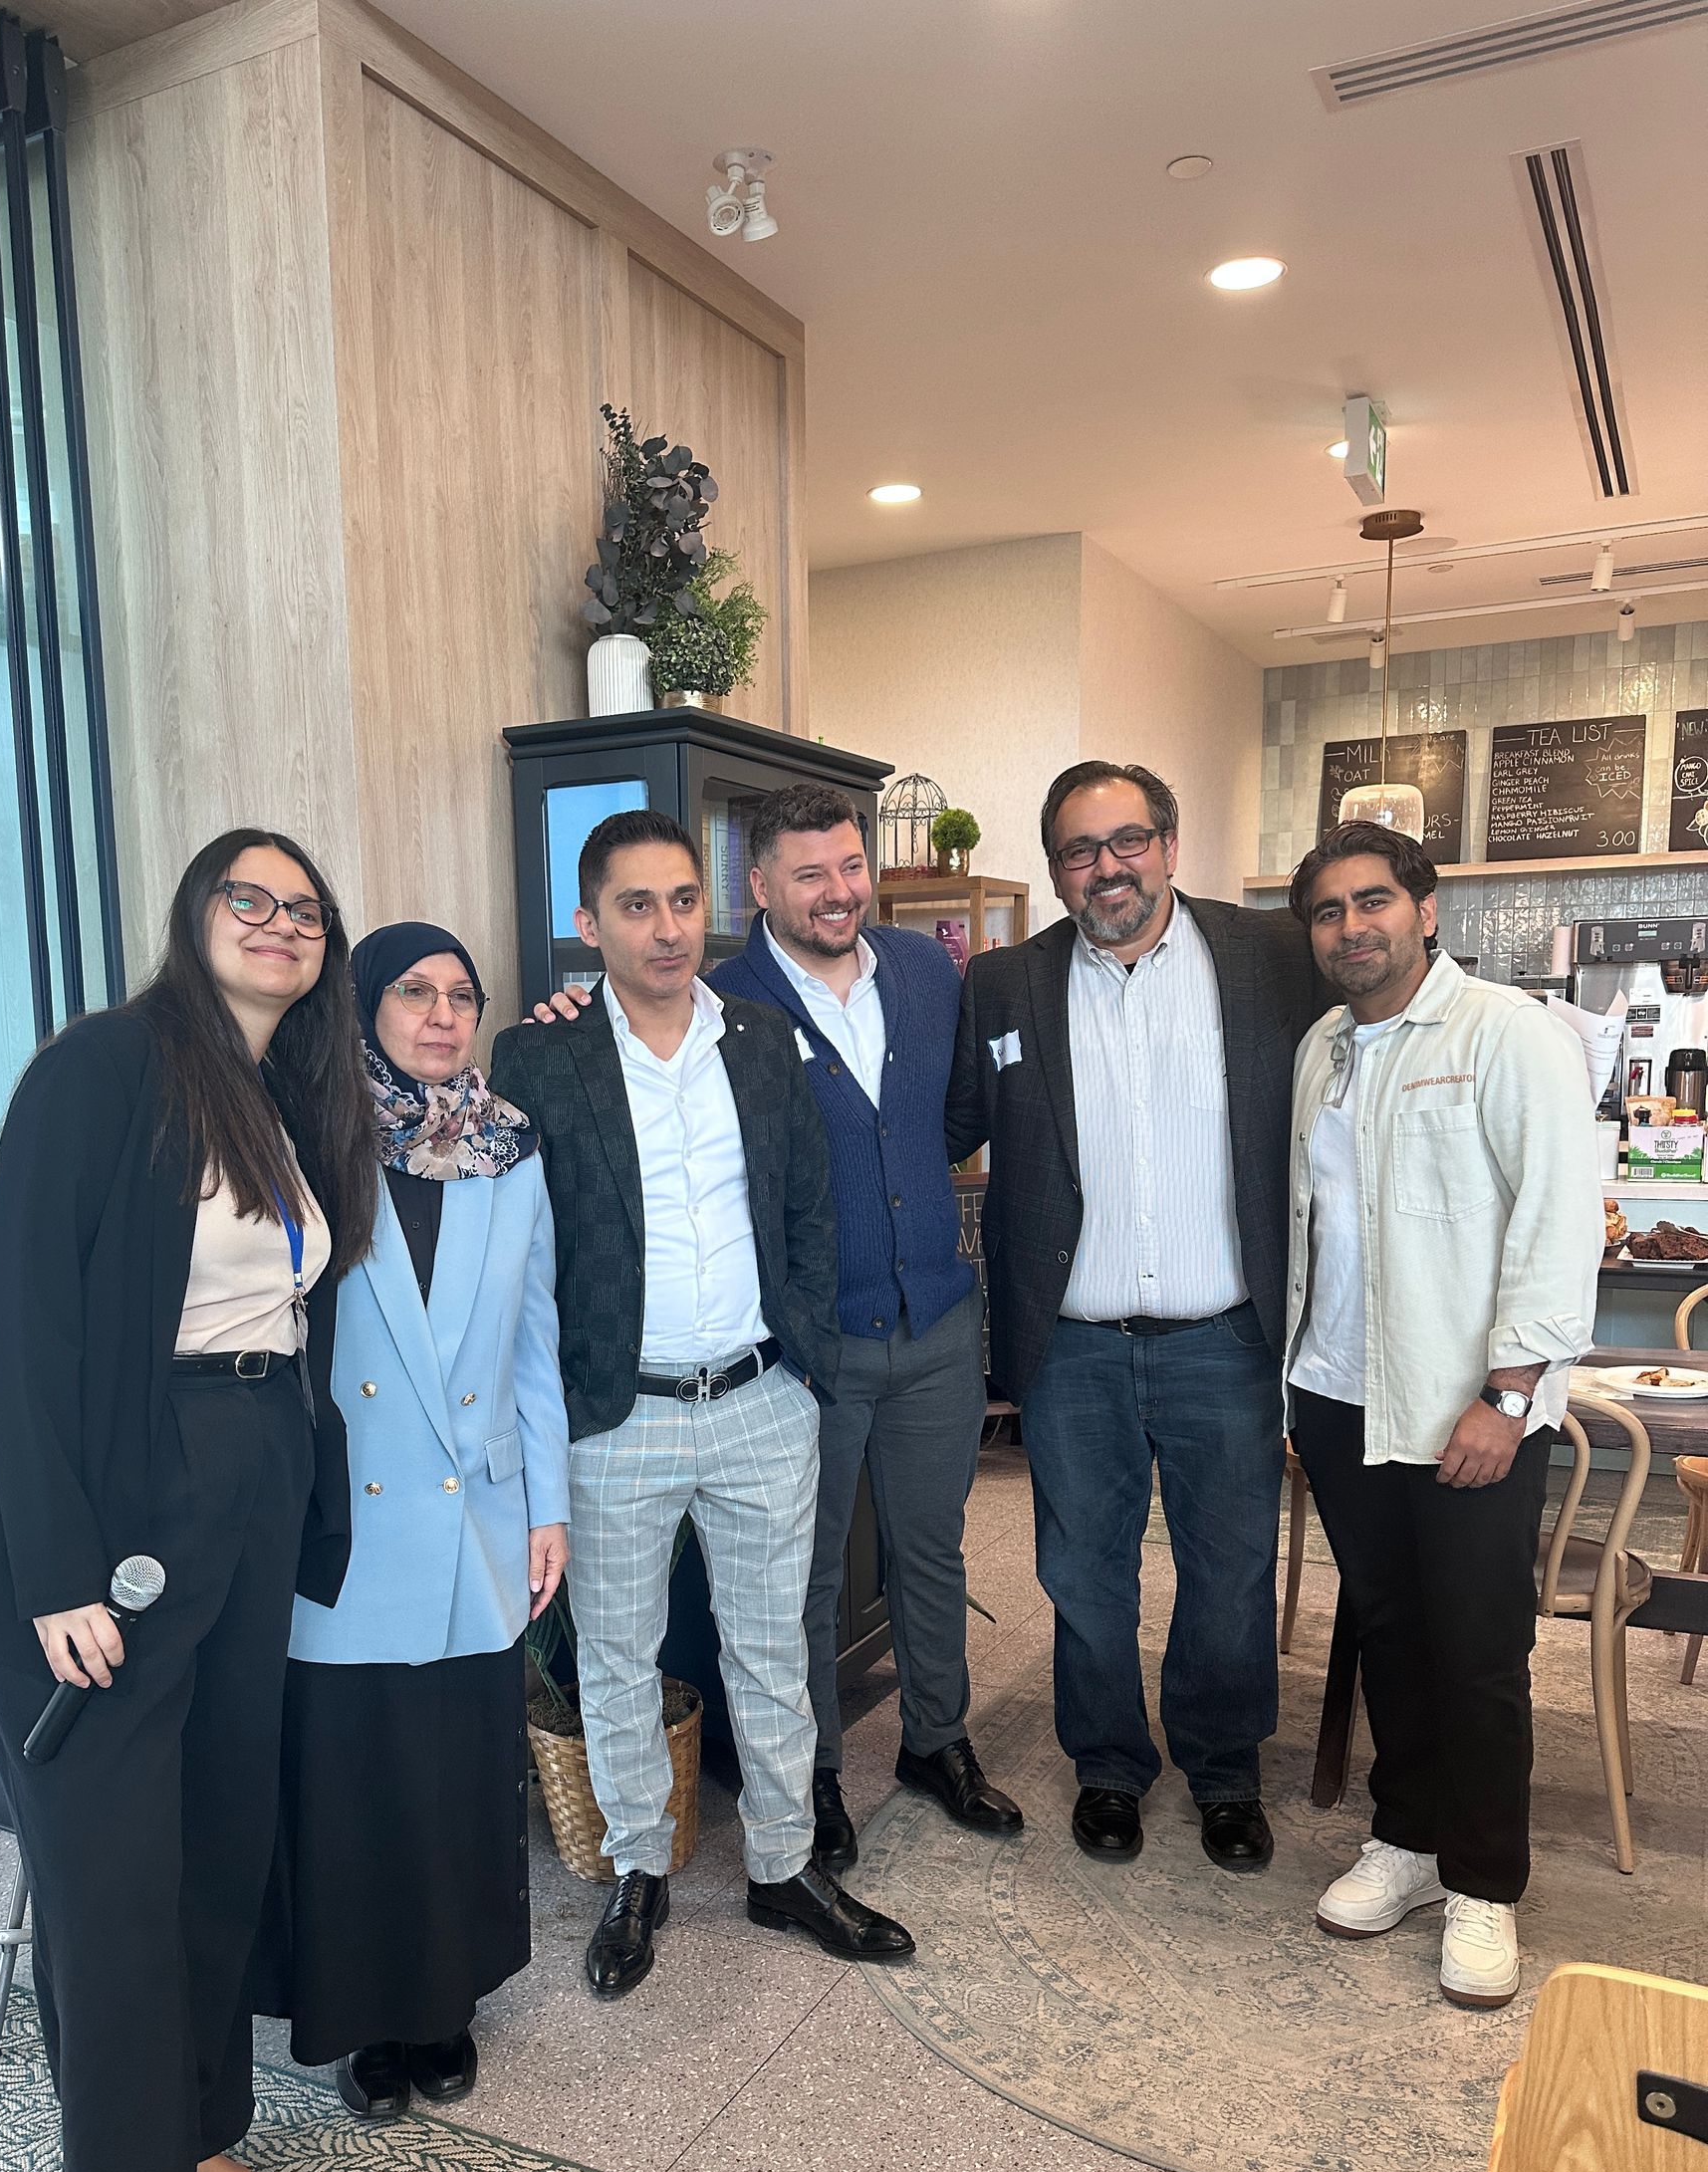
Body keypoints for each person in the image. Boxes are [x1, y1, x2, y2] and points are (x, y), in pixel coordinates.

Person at [0, 829, 373, 2172]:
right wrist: (57, 1573)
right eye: (247, 900)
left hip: (242, 1482)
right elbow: (23, 1321)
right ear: (192, 919)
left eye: (303, 911)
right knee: (113, 1881)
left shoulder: (288, 1096)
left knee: (215, 1839)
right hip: (108, 1501)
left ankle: (197, 2136)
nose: (277, 924)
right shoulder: (102, 1069)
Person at [533, 780, 1020, 1870]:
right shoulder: (730, 998)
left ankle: (937, 1742)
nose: (838, 891)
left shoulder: (929, 972)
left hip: (933, 1316)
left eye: (851, 867)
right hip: (816, 1342)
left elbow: (945, 1121)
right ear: (758, 888)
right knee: (790, 1588)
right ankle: (815, 1782)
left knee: (933, 1549)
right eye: (809, 874)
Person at [491, 808, 914, 1997]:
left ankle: (785, 1868)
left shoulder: (764, 1043)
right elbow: (521, 1245)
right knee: (619, 1656)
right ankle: (638, 1867)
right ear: (588, 925)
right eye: (637, 905)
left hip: (760, 1398)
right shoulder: (539, 1056)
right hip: (617, 1413)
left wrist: (810, 1360)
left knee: (773, 1647)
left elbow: (809, 1214)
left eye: (684, 900)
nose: (667, 926)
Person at [945, 761, 1326, 1872]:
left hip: (1226, 1336)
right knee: (1082, 1571)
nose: (1106, 867)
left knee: (1229, 1569)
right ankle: (1108, 1764)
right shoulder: (1006, 984)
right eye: (1078, 848)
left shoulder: (1268, 958)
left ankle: (1223, 1771)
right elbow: (950, 1119)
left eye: (1127, 841)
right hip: (1073, 1347)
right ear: (1058, 865)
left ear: (1170, 840)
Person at [1283, 821, 1599, 2009]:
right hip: (1336, 1396)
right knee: (1389, 1636)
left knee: (1478, 1656)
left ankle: (1484, 1886)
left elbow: (1560, 1214)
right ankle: (1406, 1842)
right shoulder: (1323, 1047)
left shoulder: (1507, 1033)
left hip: (1468, 1410)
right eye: (1327, 910)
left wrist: (1511, 1391)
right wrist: (1291, 1385)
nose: (1351, 927)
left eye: (1373, 901)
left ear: (1425, 908)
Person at [257, 921, 570, 2120]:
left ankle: (445, 2005)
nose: (442, 1014)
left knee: (455, 1776)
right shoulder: (305, 1140)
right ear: (363, 1009)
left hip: (480, 1509)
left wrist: (546, 1505)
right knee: (353, 1776)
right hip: (350, 1511)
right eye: (414, 992)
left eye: (461, 994)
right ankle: (363, 2018)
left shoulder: (509, 1145)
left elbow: (534, 1331)